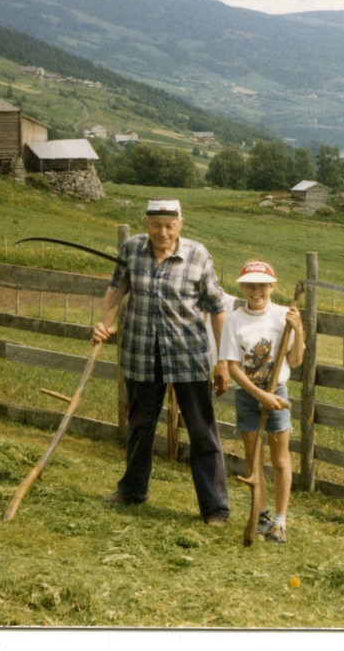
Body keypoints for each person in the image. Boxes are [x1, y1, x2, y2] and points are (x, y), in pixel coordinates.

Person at [92, 198, 232, 525]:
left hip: (189, 355)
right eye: (156, 225)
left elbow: (217, 308)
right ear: (146, 223)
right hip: (141, 352)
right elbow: (116, 289)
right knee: (140, 424)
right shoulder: (131, 250)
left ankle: (215, 509)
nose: (163, 232)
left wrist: (223, 360)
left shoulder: (198, 256)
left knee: (201, 431)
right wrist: (103, 322)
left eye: (169, 226)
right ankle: (132, 490)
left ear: (181, 224)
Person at [218, 260, 304, 544]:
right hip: (249, 395)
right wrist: (260, 395)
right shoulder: (235, 319)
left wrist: (298, 329)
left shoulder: (284, 316)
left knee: (280, 459)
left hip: (277, 393)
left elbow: (294, 360)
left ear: (273, 286)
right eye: (250, 285)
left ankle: (280, 522)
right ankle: (261, 514)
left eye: (262, 285)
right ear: (241, 287)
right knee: (254, 458)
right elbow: (232, 367)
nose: (256, 290)